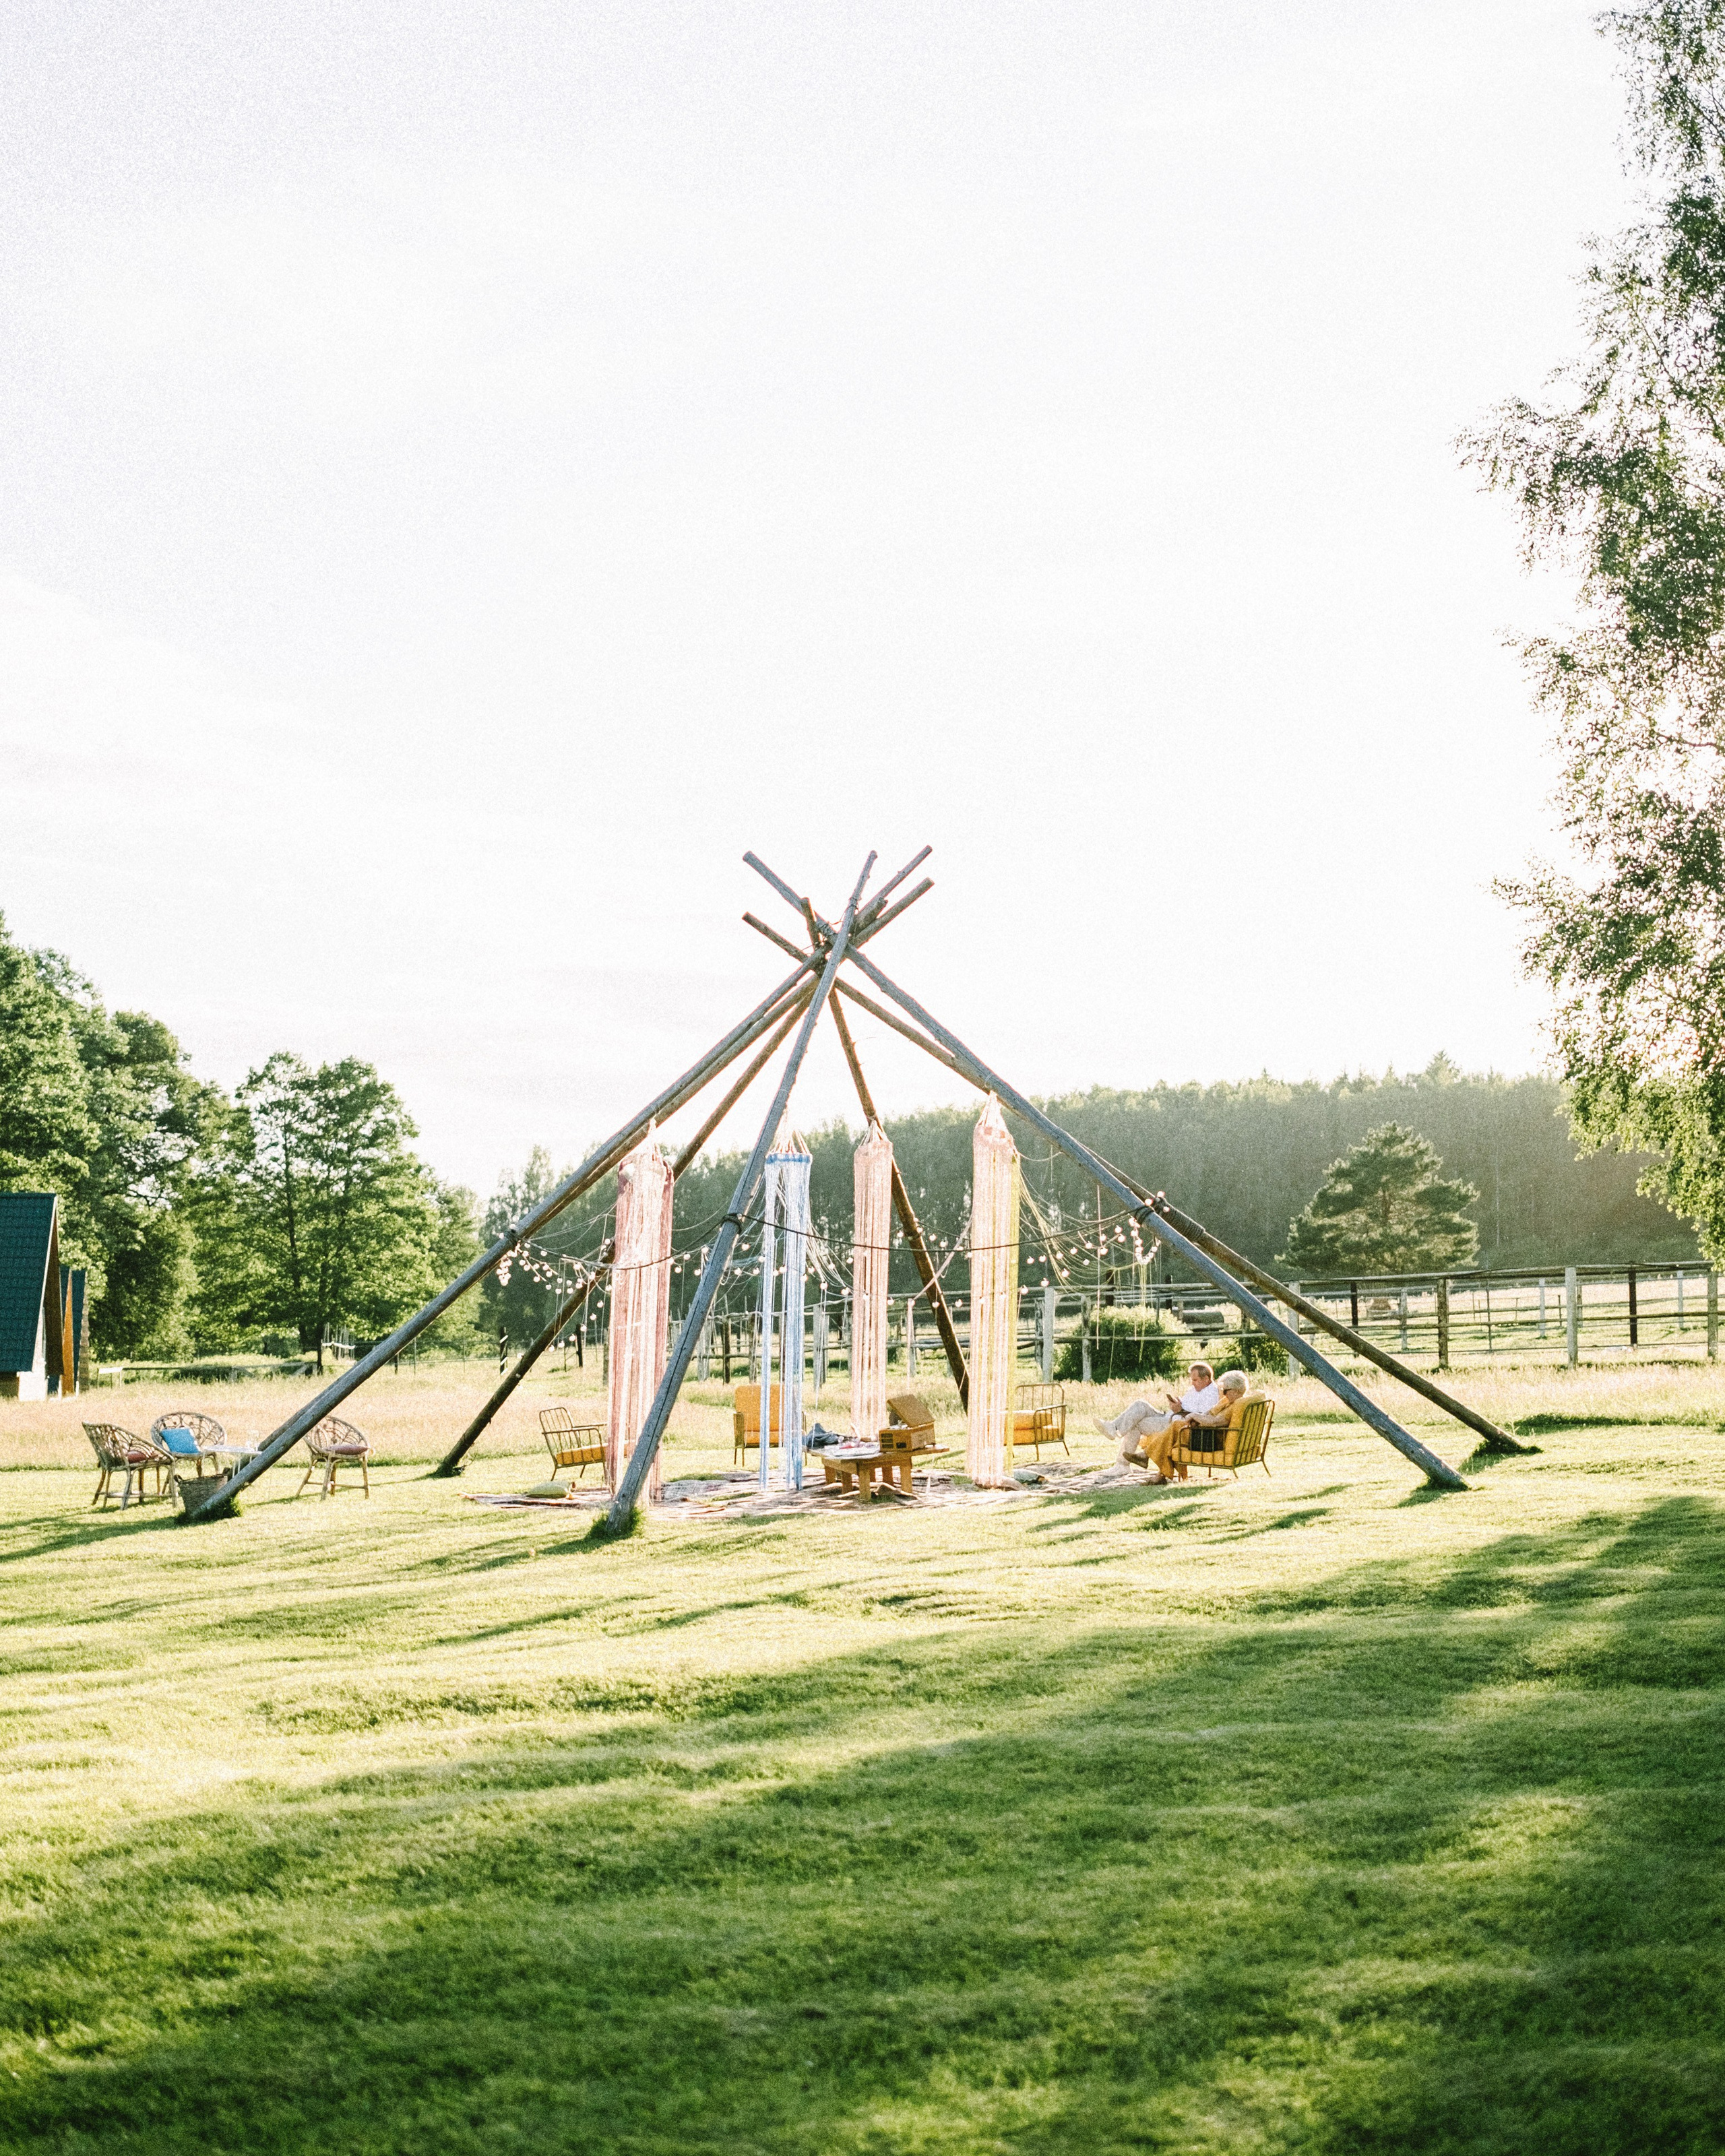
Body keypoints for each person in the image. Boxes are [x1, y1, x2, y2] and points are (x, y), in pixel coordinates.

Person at [1099, 1364, 1246, 1482]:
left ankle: (1124, 1462)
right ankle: (1114, 1428)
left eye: (1195, 1380)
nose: (1224, 1394)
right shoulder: (1223, 1400)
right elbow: (1208, 1414)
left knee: (1135, 1423)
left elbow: (1211, 1420)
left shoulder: (1215, 1396)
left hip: (1182, 1424)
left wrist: (1182, 1410)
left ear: (1206, 1378)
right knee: (1140, 1405)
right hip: (1171, 1416)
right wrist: (1177, 1405)